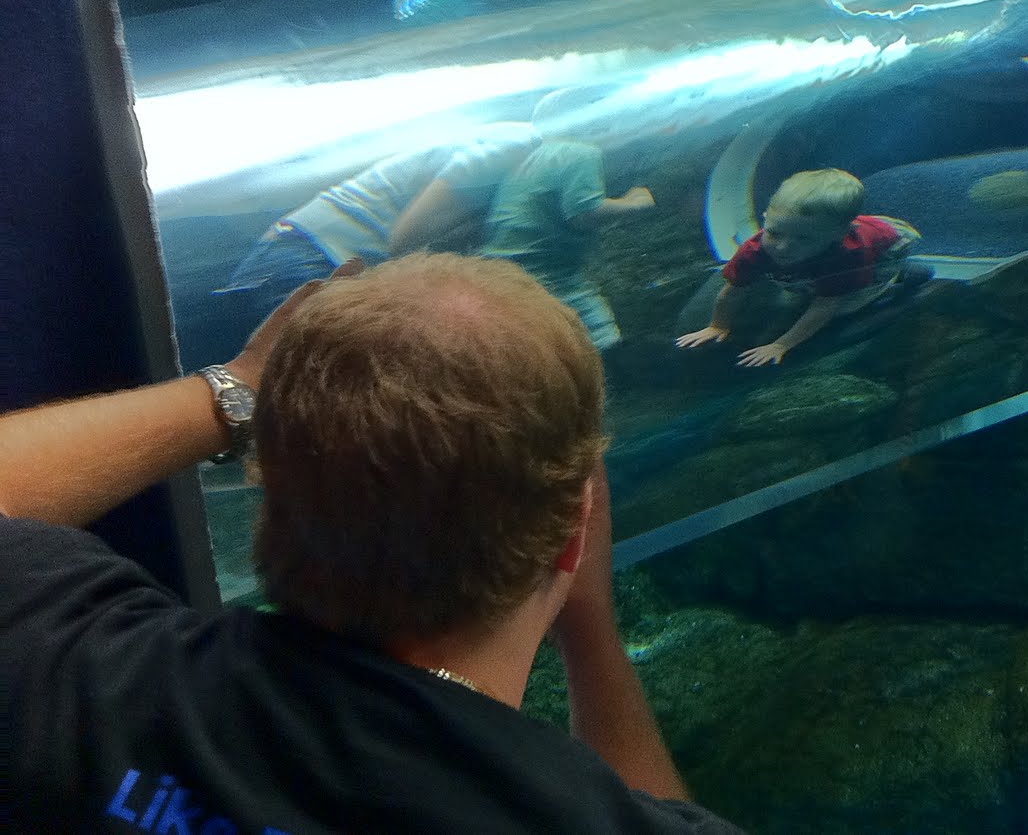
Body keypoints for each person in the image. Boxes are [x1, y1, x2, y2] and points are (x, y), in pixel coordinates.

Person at [0, 253, 745, 832]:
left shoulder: (68, 676)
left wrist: (234, 387)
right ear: (575, 530)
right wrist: (590, 630)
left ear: (266, 482)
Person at [219, 120, 536, 318]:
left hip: (315, 257)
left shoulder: (521, 151)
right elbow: (404, 239)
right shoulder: (517, 142)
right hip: (313, 260)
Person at [676, 169, 921, 368]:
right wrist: (718, 325)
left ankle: (899, 280)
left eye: (803, 239)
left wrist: (781, 345)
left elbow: (824, 307)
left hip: (890, 243)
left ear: (838, 235)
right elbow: (733, 291)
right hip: (843, 237)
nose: (782, 247)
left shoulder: (848, 255)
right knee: (802, 283)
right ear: (765, 218)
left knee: (848, 303)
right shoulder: (754, 248)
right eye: (774, 233)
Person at [479, 93, 655, 353]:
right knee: (602, 342)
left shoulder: (530, 159)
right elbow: (584, 213)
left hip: (504, 273)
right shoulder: (580, 151)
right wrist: (634, 203)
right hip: (546, 276)